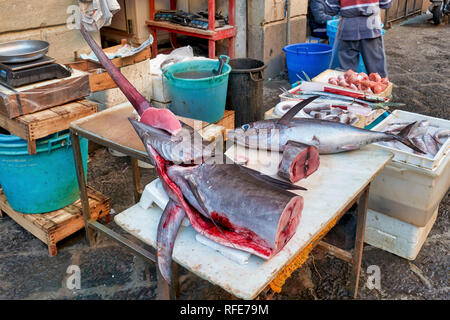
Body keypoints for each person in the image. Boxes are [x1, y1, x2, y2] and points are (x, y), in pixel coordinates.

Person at [324, 0, 393, 78]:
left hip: (348, 30)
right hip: (371, 29)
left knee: (348, 76)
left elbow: (331, 9)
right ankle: (381, 89)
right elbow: (386, 4)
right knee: (378, 74)